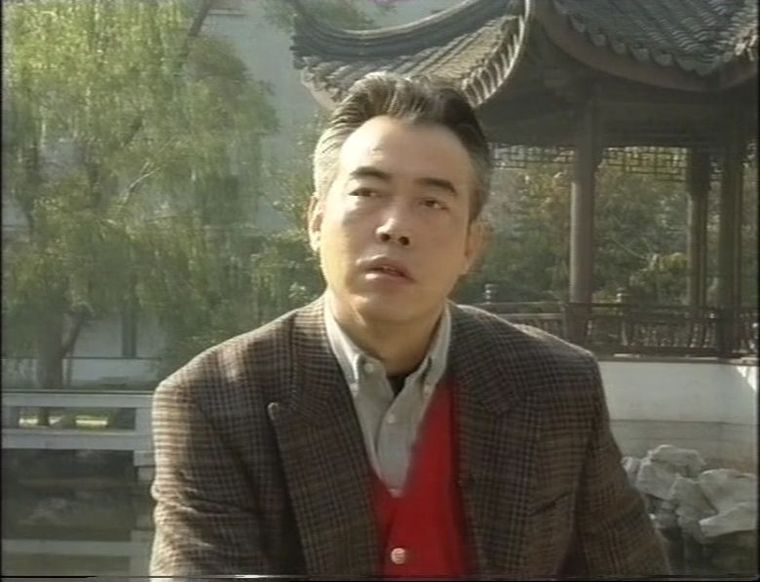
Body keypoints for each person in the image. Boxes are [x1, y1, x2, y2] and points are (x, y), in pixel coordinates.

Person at [149, 72, 668, 578]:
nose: (395, 227)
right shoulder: (213, 401)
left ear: (472, 246)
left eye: (432, 203)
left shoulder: (555, 386)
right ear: (315, 220)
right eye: (367, 192)